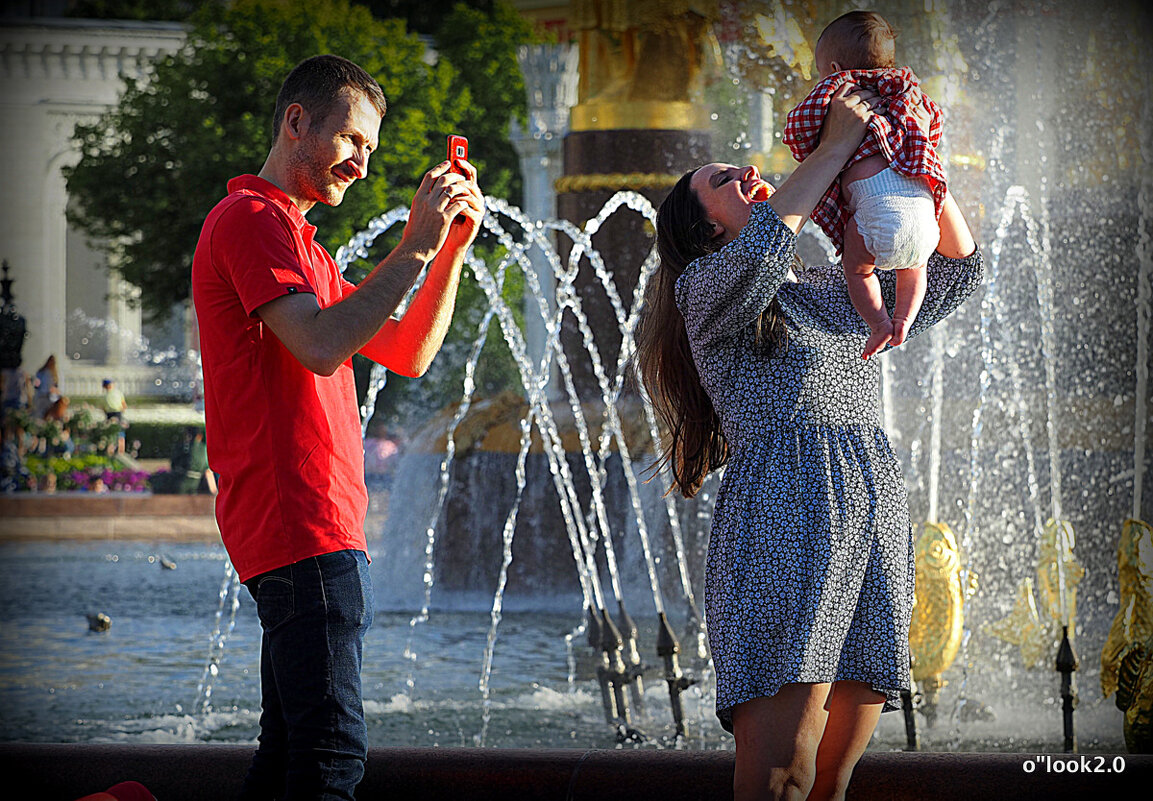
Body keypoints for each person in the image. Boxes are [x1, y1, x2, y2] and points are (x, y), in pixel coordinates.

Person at [634, 86, 982, 800]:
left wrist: (917, 160)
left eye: (739, 167)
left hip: (869, 510)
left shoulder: (831, 290)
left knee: (832, 778)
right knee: (779, 776)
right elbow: (767, 242)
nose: (743, 175)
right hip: (784, 517)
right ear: (703, 231)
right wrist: (830, 148)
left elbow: (957, 269)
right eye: (722, 182)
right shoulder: (705, 288)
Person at [191, 54, 483, 800]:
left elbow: (409, 351)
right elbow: (321, 347)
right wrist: (415, 241)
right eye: (352, 140)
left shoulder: (300, 244)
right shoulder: (252, 220)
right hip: (300, 521)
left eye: (371, 150)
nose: (361, 164)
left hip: (310, 524)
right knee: (330, 756)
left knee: (290, 749)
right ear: (296, 122)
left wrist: (447, 248)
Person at [783, 11, 945, 359]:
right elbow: (933, 123)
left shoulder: (838, 87)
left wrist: (806, 142)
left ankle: (879, 323)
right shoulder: (906, 86)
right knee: (915, 268)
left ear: (834, 66)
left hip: (876, 208)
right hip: (923, 213)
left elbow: (800, 125)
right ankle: (904, 318)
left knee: (857, 270)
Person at [101, 378, 127, 454]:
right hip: (110, 413)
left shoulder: (118, 393)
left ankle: (120, 451)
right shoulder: (105, 396)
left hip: (117, 412)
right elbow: (103, 407)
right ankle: (111, 451)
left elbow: (123, 404)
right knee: (111, 432)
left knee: (119, 432)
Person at [32, 354, 60, 418]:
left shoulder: (50, 374)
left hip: (47, 397)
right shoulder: (45, 373)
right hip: (42, 396)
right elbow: (37, 385)